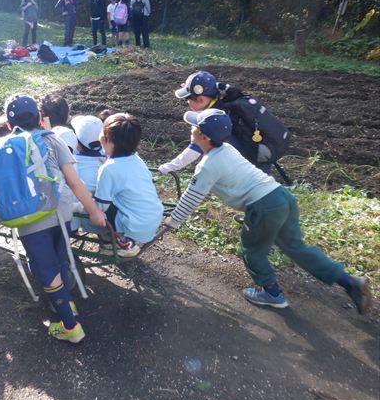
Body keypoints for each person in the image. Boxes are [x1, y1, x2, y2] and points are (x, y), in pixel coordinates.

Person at [165, 109, 372, 313]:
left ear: (203, 136)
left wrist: (172, 222)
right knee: (296, 248)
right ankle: (350, 283)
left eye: (194, 126)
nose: (190, 128)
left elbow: (191, 198)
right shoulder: (226, 149)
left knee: (252, 251)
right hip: (281, 196)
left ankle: (272, 295)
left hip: (263, 207)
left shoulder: (207, 166)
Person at [0, 94, 106, 343]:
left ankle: (70, 326)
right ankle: (67, 302)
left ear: (7, 124)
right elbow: (74, 181)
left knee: (45, 269)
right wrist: (93, 211)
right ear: (40, 118)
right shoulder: (53, 139)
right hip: (62, 212)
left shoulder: (3, 147)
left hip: (30, 218)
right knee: (61, 259)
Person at [159, 70, 286, 175]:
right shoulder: (225, 104)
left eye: (187, 98)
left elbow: (195, 149)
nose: (187, 102)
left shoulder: (212, 118)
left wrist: (167, 168)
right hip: (259, 162)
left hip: (249, 170)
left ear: (201, 99)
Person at [95, 113, 163, 258]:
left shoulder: (108, 169)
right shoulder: (136, 158)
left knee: (100, 204)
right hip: (153, 218)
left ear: (109, 141)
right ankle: (126, 238)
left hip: (134, 227)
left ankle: (123, 242)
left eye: (102, 131)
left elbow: (101, 207)